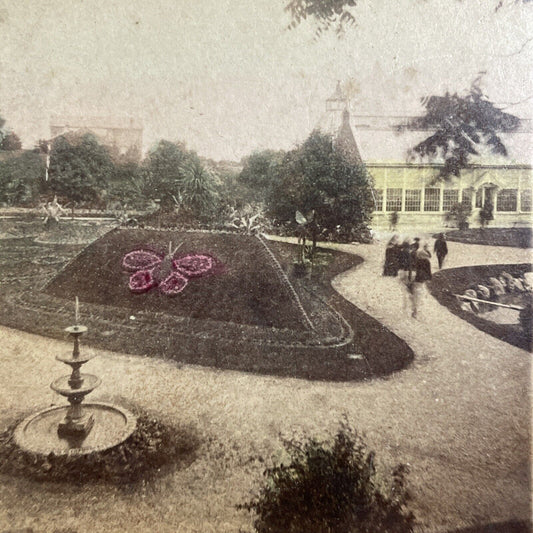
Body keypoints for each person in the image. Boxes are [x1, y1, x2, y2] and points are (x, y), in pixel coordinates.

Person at [411, 243, 432, 318]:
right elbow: (428, 271)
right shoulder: (427, 262)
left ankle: (415, 310)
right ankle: (416, 311)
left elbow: (413, 268)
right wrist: (429, 278)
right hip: (422, 279)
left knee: (416, 293)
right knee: (420, 294)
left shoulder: (418, 261)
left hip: (417, 278)